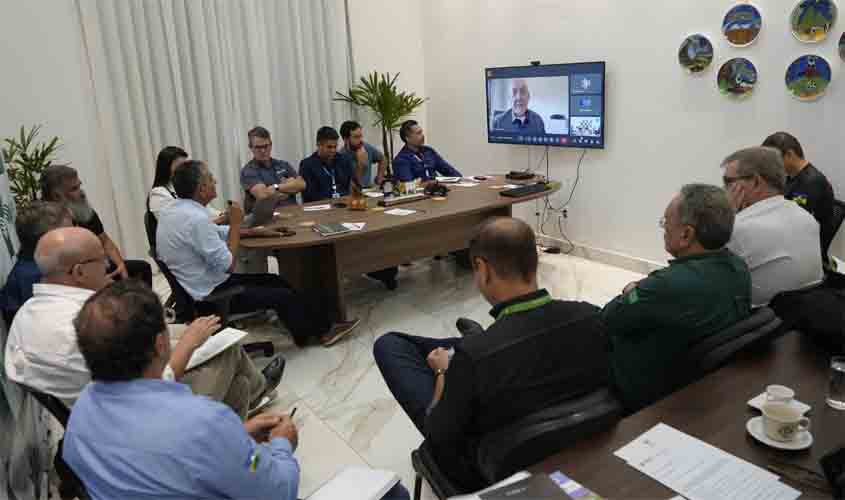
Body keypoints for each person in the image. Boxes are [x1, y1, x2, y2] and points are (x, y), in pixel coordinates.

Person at [63, 280, 410, 500]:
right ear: (159, 345)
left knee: (242, 386)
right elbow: (278, 491)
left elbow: (158, 460)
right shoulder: (201, 422)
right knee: (393, 492)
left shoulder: (80, 415)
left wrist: (238, 434)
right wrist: (282, 445)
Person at [373, 217, 609, 492]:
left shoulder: (473, 359)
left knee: (390, 345)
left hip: (492, 469)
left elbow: (439, 434)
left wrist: (442, 372)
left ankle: (466, 345)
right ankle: (478, 334)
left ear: (483, 269)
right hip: (578, 444)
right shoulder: (591, 316)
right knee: (471, 345)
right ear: (533, 262)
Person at [3, 227, 278, 418]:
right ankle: (254, 395)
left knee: (233, 378)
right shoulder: (81, 326)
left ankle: (250, 399)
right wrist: (190, 343)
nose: (110, 267)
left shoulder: (29, 312)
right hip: (135, 416)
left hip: (96, 407)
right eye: (102, 260)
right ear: (78, 272)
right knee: (227, 353)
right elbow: (155, 383)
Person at [158, 160, 360, 346]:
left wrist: (253, 231)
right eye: (211, 178)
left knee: (276, 280)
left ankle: (306, 333)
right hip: (213, 296)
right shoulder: (196, 219)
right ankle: (324, 332)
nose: (215, 181)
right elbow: (227, 264)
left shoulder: (174, 211)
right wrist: (236, 224)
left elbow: (214, 232)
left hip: (198, 286)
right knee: (282, 295)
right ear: (202, 189)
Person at [602, 184, 751, 412]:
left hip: (646, 395)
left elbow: (609, 317)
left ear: (686, 234)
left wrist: (633, 290)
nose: (663, 230)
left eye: (665, 224)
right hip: (700, 384)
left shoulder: (665, 286)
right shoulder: (739, 268)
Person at [722, 147, 824, 307]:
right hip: (805, 316)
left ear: (756, 181)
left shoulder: (737, 228)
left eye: (728, 182)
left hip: (759, 323)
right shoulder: (808, 218)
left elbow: (705, 278)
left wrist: (726, 216)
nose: (724, 189)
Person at [40, 165, 153, 287]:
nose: (81, 192)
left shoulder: (82, 209)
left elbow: (105, 241)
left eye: (79, 186)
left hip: (97, 265)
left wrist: (121, 266)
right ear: (57, 195)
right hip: (74, 276)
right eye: (74, 189)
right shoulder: (47, 221)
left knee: (141, 269)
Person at [762, 132, 836, 262]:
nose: (772, 166)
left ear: (790, 154)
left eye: (775, 161)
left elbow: (793, 222)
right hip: (793, 244)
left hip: (805, 253)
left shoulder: (811, 181)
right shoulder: (791, 177)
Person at [0, 201, 72, 324]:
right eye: (68, 233)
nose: (77, 235)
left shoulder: (27, 267)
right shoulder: (37, 277)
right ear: (46, 240)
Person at [241, 126, 305, 212]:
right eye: (258, 147)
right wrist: (289, 188)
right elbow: (263, 195)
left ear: (271, 145)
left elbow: (301, 184)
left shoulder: (283, 164)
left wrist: (275, 187)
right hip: (267, 219)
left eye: (265, 146)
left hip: (293, 213)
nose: (263, 150)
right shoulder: (249, 170)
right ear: (251, 147)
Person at [299, 126, 357, 203]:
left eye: (335, 147)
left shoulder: (344, 160)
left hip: (343, 204)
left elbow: (353, 185)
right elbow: (309, 195)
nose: (333, 150)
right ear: (319, 145)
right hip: (319, 207)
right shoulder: (307, 165)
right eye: (329, 147)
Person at [393, 120, 461, 184]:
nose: (422, 135)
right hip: (421, 195)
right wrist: (432, 183)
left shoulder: (428, 151)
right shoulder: (401, 160)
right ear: (407, 138)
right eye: (418, 133)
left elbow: (448, 170)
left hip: (438, 190)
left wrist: (461, 179)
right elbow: (409, 185)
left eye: (421, 132)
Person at [339, 120, 386, 188]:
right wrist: (360, 165)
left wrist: (379, 177)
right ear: (345, 139)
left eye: (361, 136)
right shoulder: (341, 157)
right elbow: (352, 186)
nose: (360, 140)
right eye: (356, 137)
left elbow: (383, 159)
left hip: (369, 190)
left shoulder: (366, 147)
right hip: (355, 193)